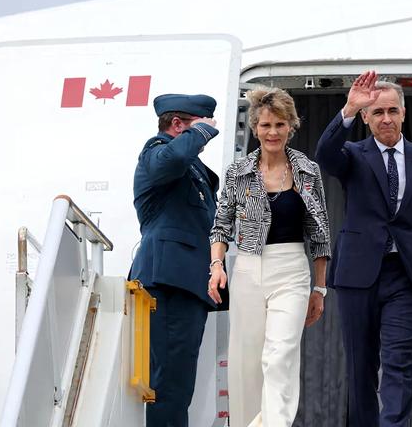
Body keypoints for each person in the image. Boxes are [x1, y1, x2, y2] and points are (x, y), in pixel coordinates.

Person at [315, 71, 412, 427]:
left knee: (399, 359)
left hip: (406, 276)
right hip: (358, 275)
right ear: (366, 118)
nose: (386, 118)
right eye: (377, 112)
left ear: (403, 113)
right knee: (361, 365)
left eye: (392, 111)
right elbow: (324, 155)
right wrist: (347, 108)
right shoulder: (353, 155)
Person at [208, 87, 331, 427]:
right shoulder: (238, 172)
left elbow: (320, 233)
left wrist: (319, 289)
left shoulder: (307, 169)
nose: (272, 132)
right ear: (255, 128)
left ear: (291, 126)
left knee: (279, 358)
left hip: (292, 269)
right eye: (265, 125)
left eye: (279, 124)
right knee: (247, 363)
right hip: (247, 268)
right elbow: (220, 226)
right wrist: (217, 265)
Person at [129, 93, 221, 426]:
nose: (211, 132)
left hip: (186, 284)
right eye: (204, 125)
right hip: (168, 282)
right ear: (177, 124)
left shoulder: (193, 170)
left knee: (178, 387)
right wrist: (198, 134)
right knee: (169, 385)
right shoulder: (155, 154)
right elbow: (169, 160)